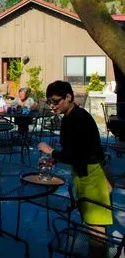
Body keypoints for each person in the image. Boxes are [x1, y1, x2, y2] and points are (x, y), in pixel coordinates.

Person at [38, 81, 111, 258]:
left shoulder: (78, 119)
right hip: (85, 173)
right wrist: (57, 158)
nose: (53, 106)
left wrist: (51, 151)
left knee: (96, 227)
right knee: (92, 221)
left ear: (68, 97)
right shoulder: (73, 116)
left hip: (91, 175)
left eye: (56, 101)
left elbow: (78, 155)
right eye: (50, 102)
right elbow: (79, 151)